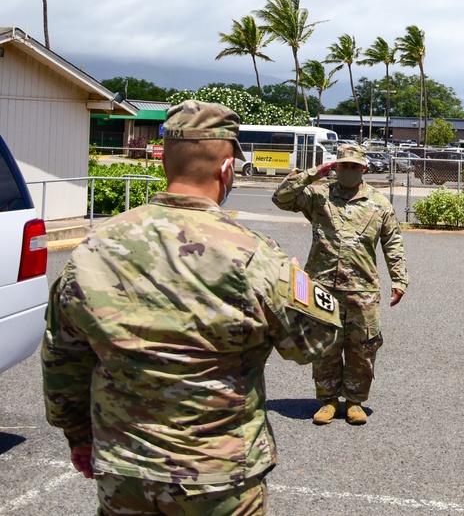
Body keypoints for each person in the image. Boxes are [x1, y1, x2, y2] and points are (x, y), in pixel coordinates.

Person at [41, 100, 341, 515]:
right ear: (226, 170)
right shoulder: (254, 254)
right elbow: (312, 345)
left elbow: (62, 359)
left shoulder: (95, 247)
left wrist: (78, 437)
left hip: (125, 467)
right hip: (219, 475)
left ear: (165, 162)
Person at [272, 144, 408, 425]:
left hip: (363, 288)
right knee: (325, 347)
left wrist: (399, 279)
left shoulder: (379, 204)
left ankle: (355, 401)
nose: (348, 170)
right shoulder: (318, 197)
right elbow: (281, 198)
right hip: (323, 287)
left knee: (363, 347)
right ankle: (328, 400)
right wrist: (313, 173)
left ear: (364, 169)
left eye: (354, 166)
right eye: (343, 165)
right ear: (335, 167)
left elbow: (392, 243)